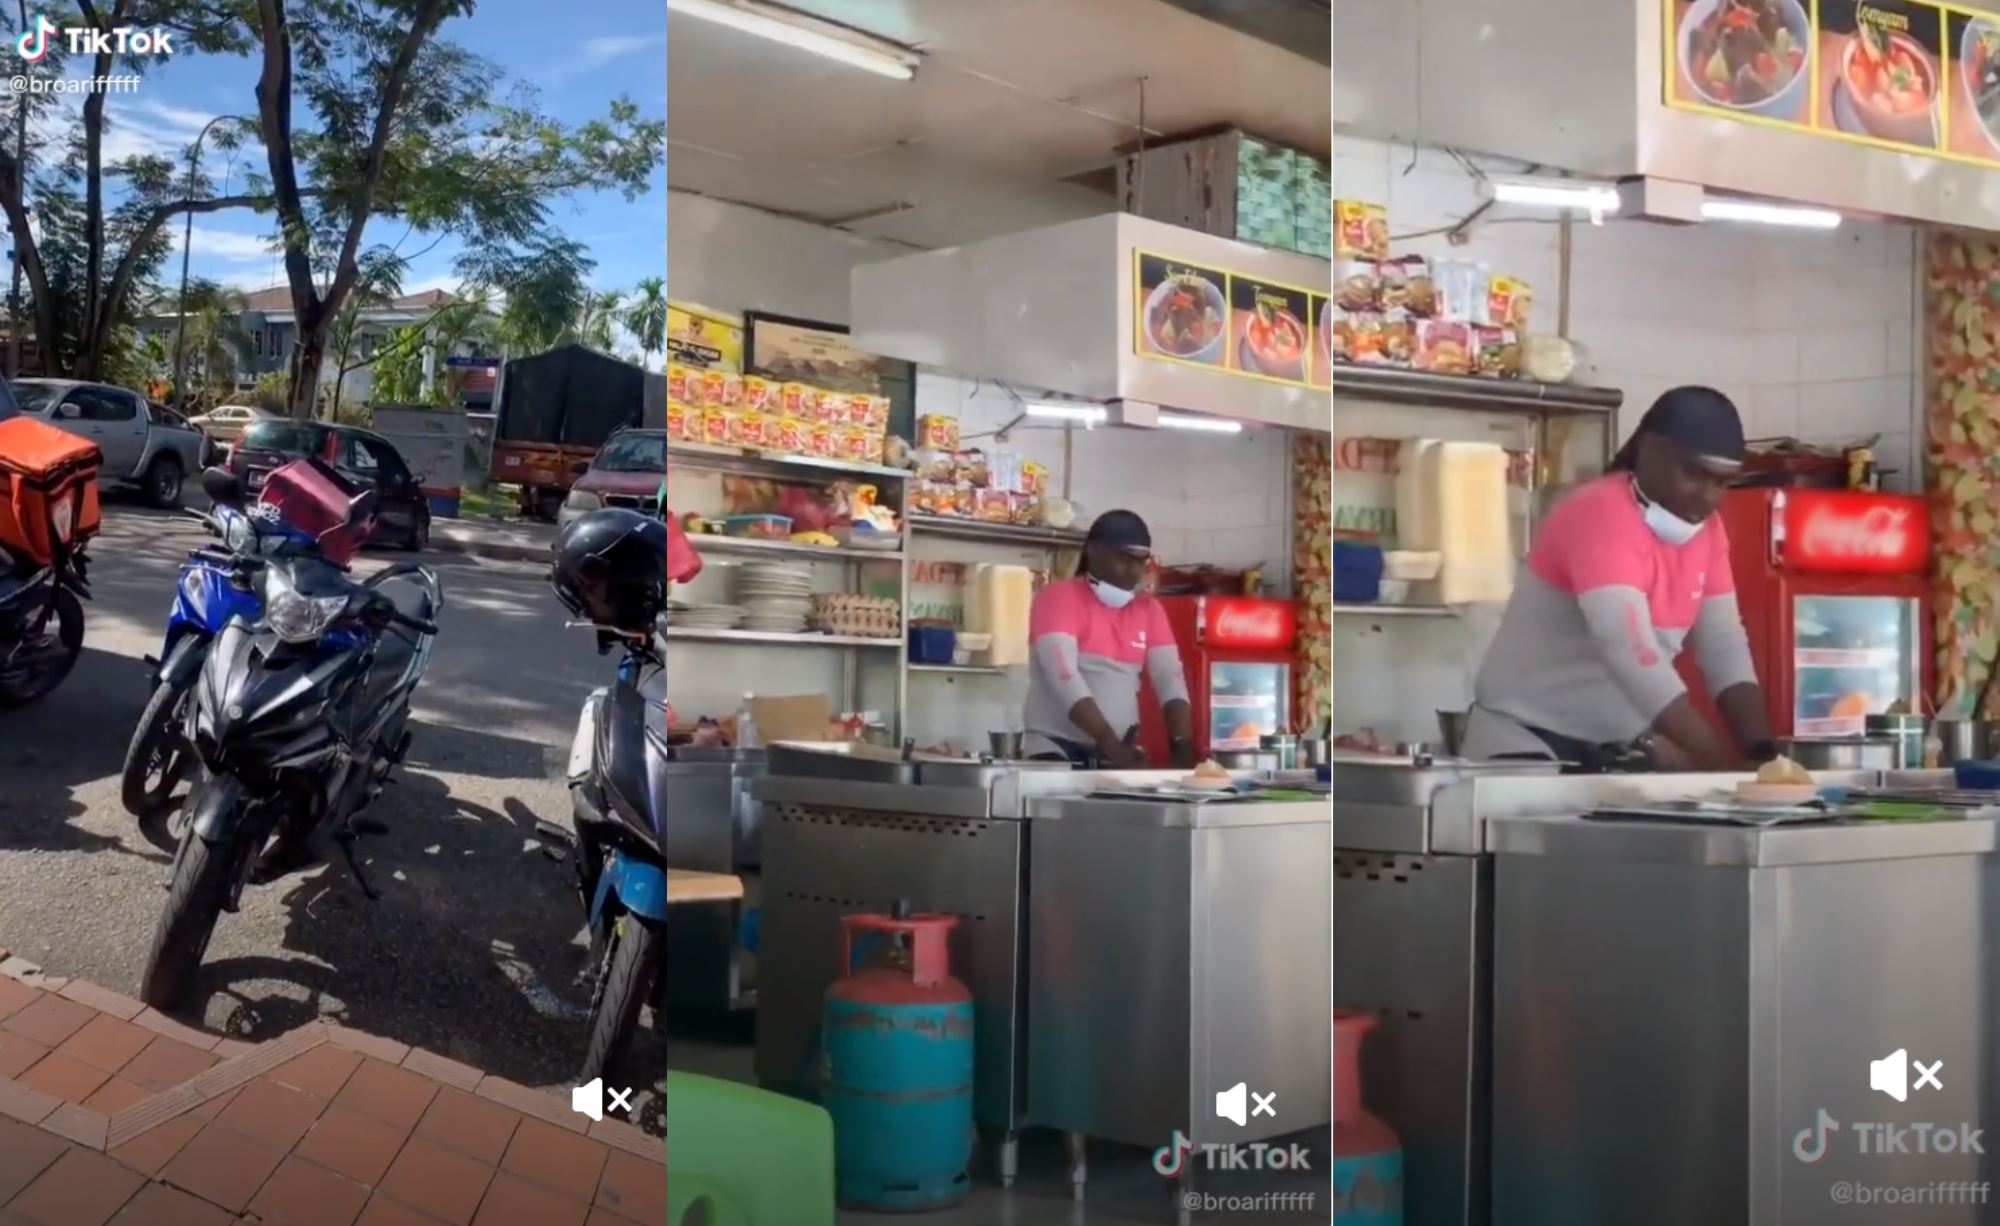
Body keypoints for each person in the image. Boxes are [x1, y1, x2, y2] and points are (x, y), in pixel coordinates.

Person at [1461, 386, 1776, 772]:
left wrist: (1764, 756)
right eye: (1695, 473)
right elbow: (1627, 648)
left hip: (1611, 750)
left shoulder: (1707, 532)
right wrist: (1709, 753)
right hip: (1526, 746)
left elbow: (1723, 643)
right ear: (1651, 451)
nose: (1709, 497)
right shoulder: (1601, 512)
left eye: (1723, 482)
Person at [1025, 509, 1197, 768]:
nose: (1134, 571)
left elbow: (1169, 676)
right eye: (1125, 559)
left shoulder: (1149, 610)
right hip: (1055, 749)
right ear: (1093, 552)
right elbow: (1063, 676)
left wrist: (1182, 744)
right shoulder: (1057, 598)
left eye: (1142, 562)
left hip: (1117, 752)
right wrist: (1110, 744)